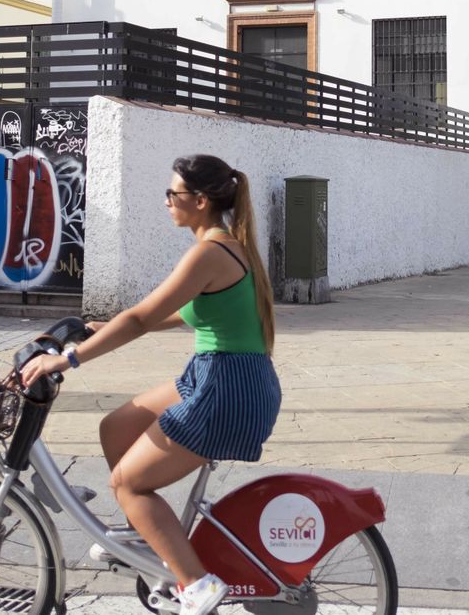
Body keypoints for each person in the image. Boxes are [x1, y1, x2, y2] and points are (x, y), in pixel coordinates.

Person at [19, 154, 279, 615]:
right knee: (117, 427)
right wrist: (103, 327)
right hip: (220, 375)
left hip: (226, 387)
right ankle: (145, 536)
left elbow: (140, 318)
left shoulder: (209, 251)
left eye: (172, 194)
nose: (166, 201)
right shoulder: (227, 245)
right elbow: (185, 312)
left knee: (129, 484)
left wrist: (70, 359)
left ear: (200, 201)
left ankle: (196, 584)